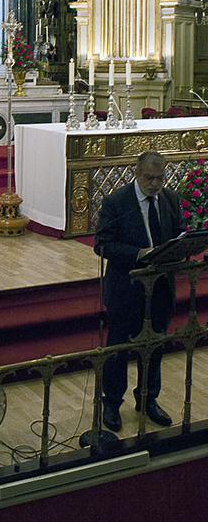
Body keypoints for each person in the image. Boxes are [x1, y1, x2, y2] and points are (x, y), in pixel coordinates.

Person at [94, 151, 184, 432]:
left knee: (155, 346)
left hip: (160, 288)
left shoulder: (169, 199)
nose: (155, 184)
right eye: (149, 178)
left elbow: (176, 232)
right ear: (137, 173)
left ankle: (148, 399)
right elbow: (102, 245)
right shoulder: (116, 202)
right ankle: (111, 403)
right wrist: (138, 253)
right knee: (118, 349)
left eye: (160, 178)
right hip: (127, 289)